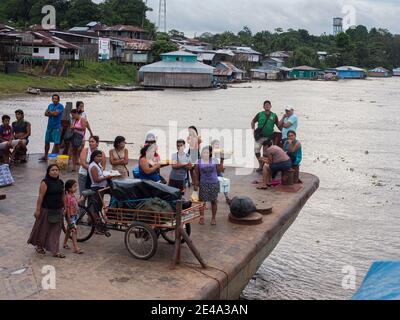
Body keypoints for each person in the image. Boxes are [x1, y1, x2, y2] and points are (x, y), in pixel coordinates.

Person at [27, 164, 65, 258]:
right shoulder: (45, 182)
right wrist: (37, 210)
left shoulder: (60, 182)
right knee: (43, 229)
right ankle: (39, 246)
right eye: (52, 170)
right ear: (48, 172)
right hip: (46, 209)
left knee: (56, 230)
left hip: (58, 209)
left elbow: (62, 195)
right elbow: (41, 196)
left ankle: (55, 250)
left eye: (56, 170)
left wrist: (65, 207)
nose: (55, 171)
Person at [193, 146, 224, 226]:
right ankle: (202, 217)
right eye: (203, 152)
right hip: (203, 183)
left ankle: (213, 218)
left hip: (214, 183)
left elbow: (219, 171)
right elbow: (196, 173)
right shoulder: (198, 161)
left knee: (213, 201)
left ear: (210, 153)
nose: (205, 154)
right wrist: (196, 183)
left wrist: (222, 160)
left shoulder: (214, 160)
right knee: (202, 201)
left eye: (207, 152)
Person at [251, 100, 280, 172]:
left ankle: (263, 166)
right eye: (265, 105)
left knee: (265, 153)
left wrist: (285, 131)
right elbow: (253, 121)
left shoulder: (274, 115)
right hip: (259, 136)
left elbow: (278, 125)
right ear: (263, 106)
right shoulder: (260, 114)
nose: (267, 106)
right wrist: (253, 130)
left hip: (269, 137)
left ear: (271, 106)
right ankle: (260, 164)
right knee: (256, 149)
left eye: (268, 105)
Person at [40, 94, 64, 161]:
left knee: (56, 143)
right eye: (53, 98)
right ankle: (45, 156)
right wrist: (52, 113)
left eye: (56, 99)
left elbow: (56, 114)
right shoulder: (50, 105)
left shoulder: (60, 106)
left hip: (57, 127)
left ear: (58, 100)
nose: (54, 100)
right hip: (49, 127)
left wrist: (50, 112)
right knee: (46, 141)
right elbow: (45, 113)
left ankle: (57, 157)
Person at [63, 180, 84, 254]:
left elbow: (74, 203)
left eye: (76, 186)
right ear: (69, 188)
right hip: (71, 216)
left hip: (74, 216)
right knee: (74, 231)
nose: (76, 188)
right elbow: (67, 208)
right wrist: (68, 218)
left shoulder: (72, 195)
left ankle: (64, 243)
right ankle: (76, 248)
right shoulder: (67, 197)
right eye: (74, 186)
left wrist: (80, 200)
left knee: (69, 229)